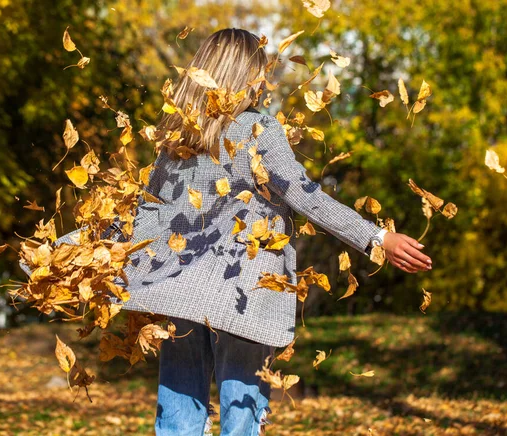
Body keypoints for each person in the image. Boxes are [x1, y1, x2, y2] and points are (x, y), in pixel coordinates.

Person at [117, 28, 433, 435]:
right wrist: (376, 237)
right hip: (244, 296)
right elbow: (307, 197)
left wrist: (104, 256)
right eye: (259, 72)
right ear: (244, 76)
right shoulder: (258, 130)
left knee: (178, 418)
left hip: (179, 293)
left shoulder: (176, 137)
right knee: (242, 415)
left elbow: (148, 212)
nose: (263, 81)